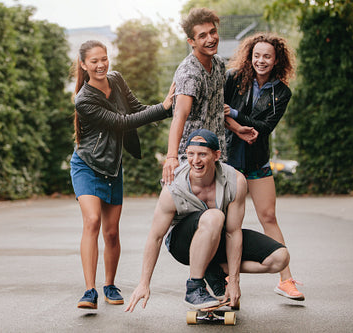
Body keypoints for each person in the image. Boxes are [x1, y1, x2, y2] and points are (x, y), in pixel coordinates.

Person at [125, 129, 290, 312]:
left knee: (280, 258)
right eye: (191, 154)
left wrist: (234, 281)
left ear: (216, 155)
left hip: (217, 238)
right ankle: (194, 288)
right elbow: (155, 237)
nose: (196, 161)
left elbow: (233, 232)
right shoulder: (173, 187)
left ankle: (216, 270)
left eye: (202, 154)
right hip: (182, 245)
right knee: (215, 216)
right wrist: (143, 283)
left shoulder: (235, 180)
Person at [70, 40, 175, 309]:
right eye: (94, 61)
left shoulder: (116, 80)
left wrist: (174, 108)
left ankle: (109, 285)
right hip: (87, 165)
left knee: (112, 233)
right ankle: (89, 291)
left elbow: (137, 111)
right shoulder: (83, 99)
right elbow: (121, 123)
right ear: (83, 64)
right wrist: (162, 108)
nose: (101, 64)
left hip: (112, 168)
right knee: (92, 221)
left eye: (104, 58)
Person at [223, 32, 304, 300]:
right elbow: (216, 111)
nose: (261, 60)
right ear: (250, 56)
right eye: (257, 55)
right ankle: (224, 278)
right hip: (230, 160)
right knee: (227, 220)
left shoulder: (281, 91)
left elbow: (265, 127)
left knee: (268, 217)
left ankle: (286, 280)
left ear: (276, 59)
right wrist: (235, 122)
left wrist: (233, 113)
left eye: (267, 56)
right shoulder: (233, 79)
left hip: (257, 161)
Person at [162, 7, 258, 186]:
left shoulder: (219, 64)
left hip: (215, 155)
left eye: (213, 32)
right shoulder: (189, 73)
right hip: (191, 159)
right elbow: (179, 116)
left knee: (226, 205)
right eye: (202, 36)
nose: (210, 39)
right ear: (191, 41)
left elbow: (215, 109)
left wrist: (237, 129)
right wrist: (171, 157)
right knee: (197, 213)